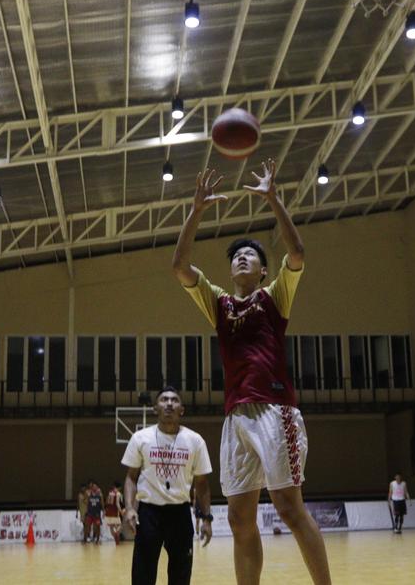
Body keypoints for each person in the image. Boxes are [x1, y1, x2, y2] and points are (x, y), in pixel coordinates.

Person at [172, 161, 332, 585]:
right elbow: (180, 265)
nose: (243, 257)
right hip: (235, 416)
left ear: (263, 270)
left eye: (252, 255)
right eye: (238, 255)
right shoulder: (219, 303)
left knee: (288, 506)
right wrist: (196, 211)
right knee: (239, 516)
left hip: (274, 410)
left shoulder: (275, 296)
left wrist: (274, 199)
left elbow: (297, 253)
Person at [122, 387, 214, 585]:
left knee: (181, 576)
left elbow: (202, 484)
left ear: (182, 409)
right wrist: (130, 509)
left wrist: (206, 518)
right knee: (142, 575)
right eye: (164, 400)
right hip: (148, 514)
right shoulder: (140, 438)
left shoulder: (195, 441)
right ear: (156, 408)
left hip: (180, 514)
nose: (169, 403)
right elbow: (131, 477)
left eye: (174, 400)